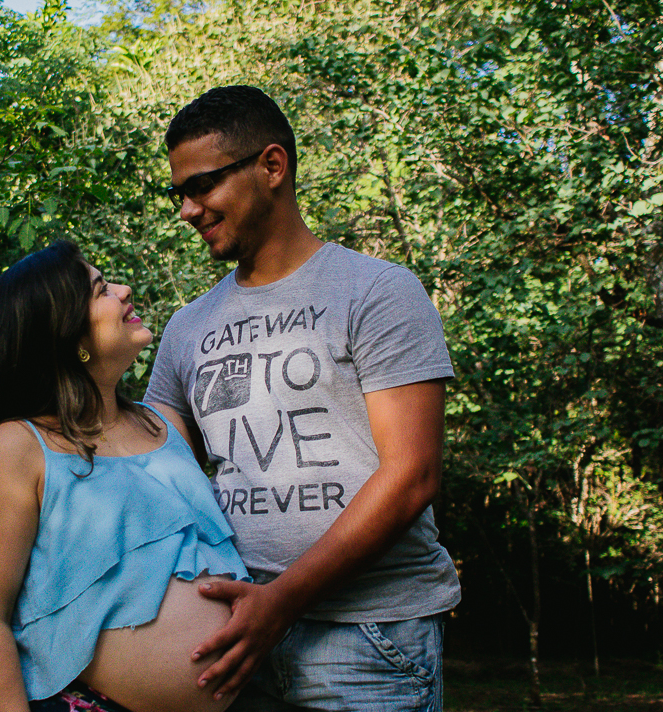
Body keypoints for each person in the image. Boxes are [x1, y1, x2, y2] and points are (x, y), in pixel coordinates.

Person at [144, 85, 461, 712]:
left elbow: (413, 476)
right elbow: (155, 471)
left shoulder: (376, 291)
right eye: (178, 192)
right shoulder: (187, 326)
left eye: (202, 185)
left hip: (368, 641)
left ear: (272, 166)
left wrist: (280, 603)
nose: (187, 209)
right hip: (234, 636)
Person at [0, 240, 250, 712]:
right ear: (67, 335)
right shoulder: (16, 448)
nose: (124, 290)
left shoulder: (165, 426)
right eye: (101, 290)